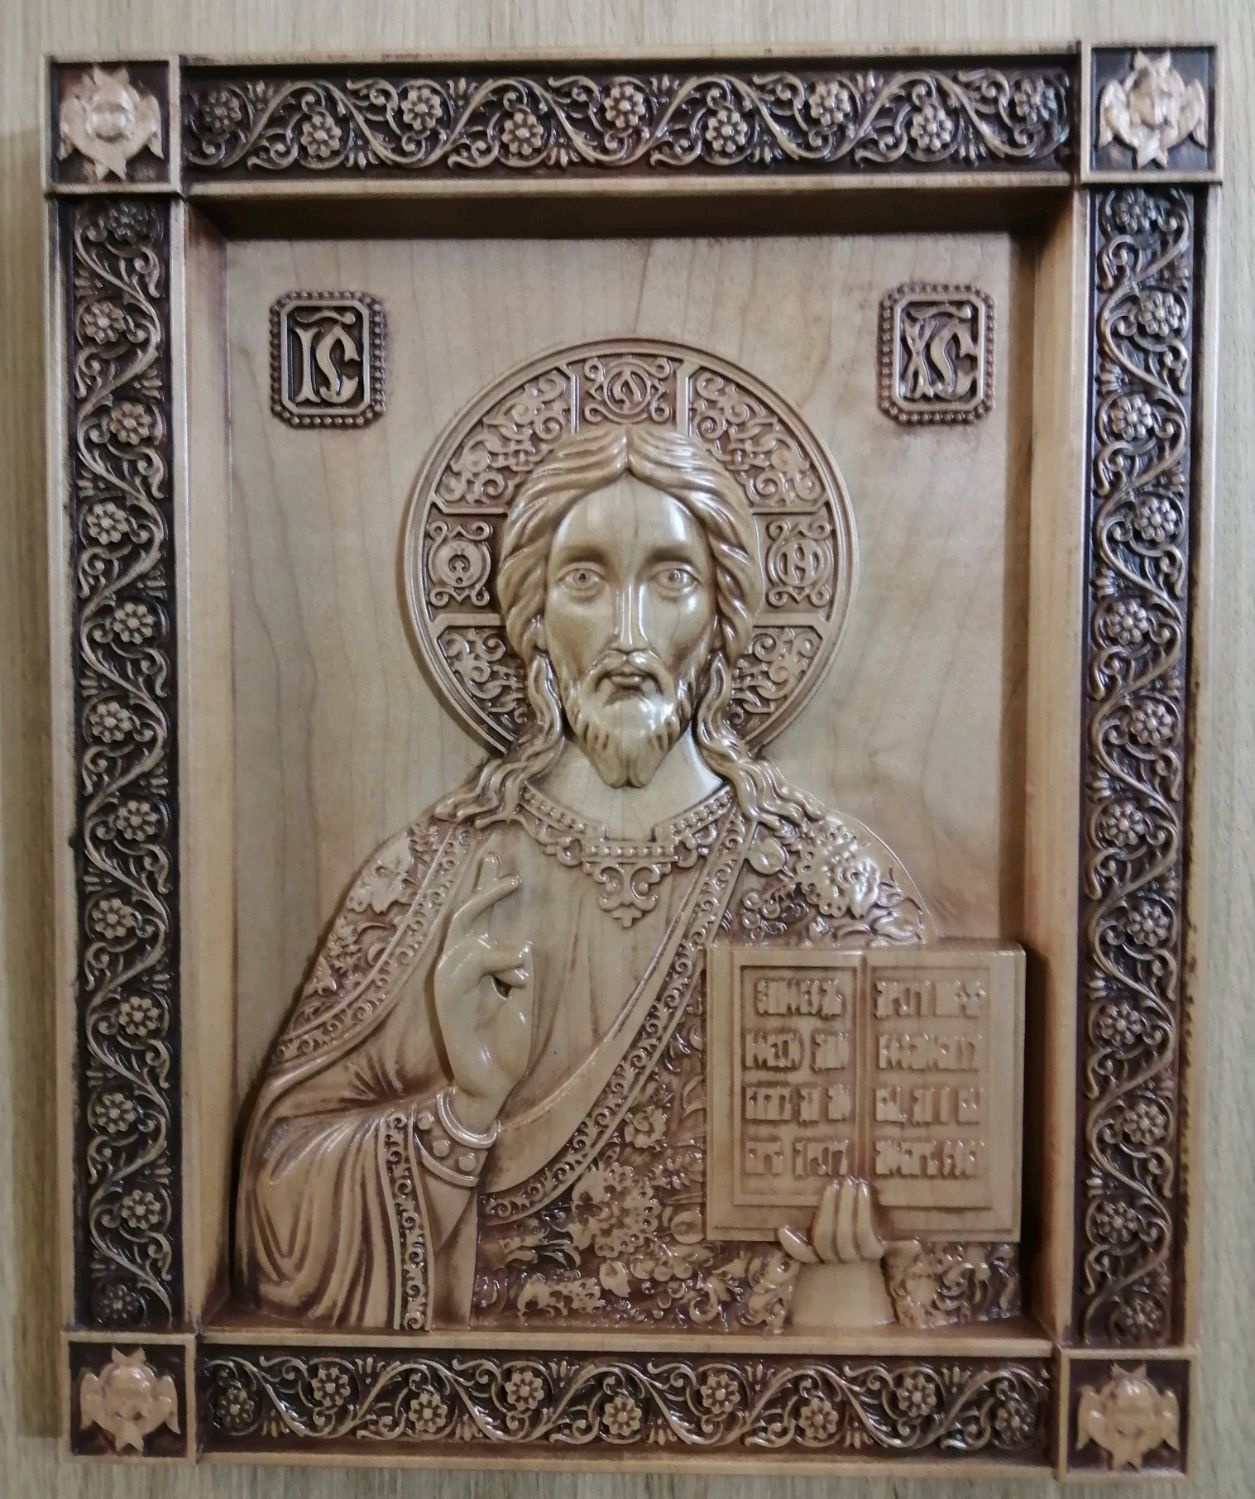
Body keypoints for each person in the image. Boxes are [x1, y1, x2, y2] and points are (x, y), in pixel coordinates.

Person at [236, 423, 928, 1331]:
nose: (628, 635)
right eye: (585, 581)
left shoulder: (829, 887)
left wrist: (850, 1279)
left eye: (670, 580)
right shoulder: (437, 873)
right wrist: (465, 1109)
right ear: (532, 619)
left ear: (722, 616)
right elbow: (280, 1211)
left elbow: (959, 1223)